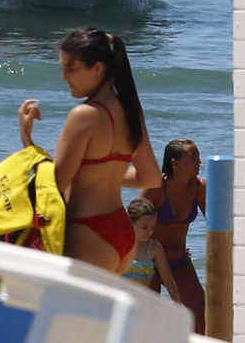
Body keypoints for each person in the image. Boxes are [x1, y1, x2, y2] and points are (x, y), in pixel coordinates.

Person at [34, 27, 162, 273]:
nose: (64, 77)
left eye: (71, 69)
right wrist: (100, 174)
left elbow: (54, 184)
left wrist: (27, 140)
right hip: (121, 232)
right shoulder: (130, 110)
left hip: (87, 231)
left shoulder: (84, 116)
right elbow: (151, 178)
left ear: (97, 68)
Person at [141, 137, 207, 332]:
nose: (199, 162)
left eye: (198, 156)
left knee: (199, 311)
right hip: (149, 261)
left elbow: (216, 226)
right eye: (193, 157)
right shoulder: (156, 188)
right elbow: (133, 223)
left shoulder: (199, 188)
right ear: (174, 163)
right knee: (148, 317)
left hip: (178, 260)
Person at [121, 198, 182, 303]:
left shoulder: (154, 248)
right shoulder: (120, 245)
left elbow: (169, 281)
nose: (149, 232)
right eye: (144, 227)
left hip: (142, 304)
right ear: (130, 222)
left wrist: (178, 305)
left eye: (152, 227)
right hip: (120, 303)